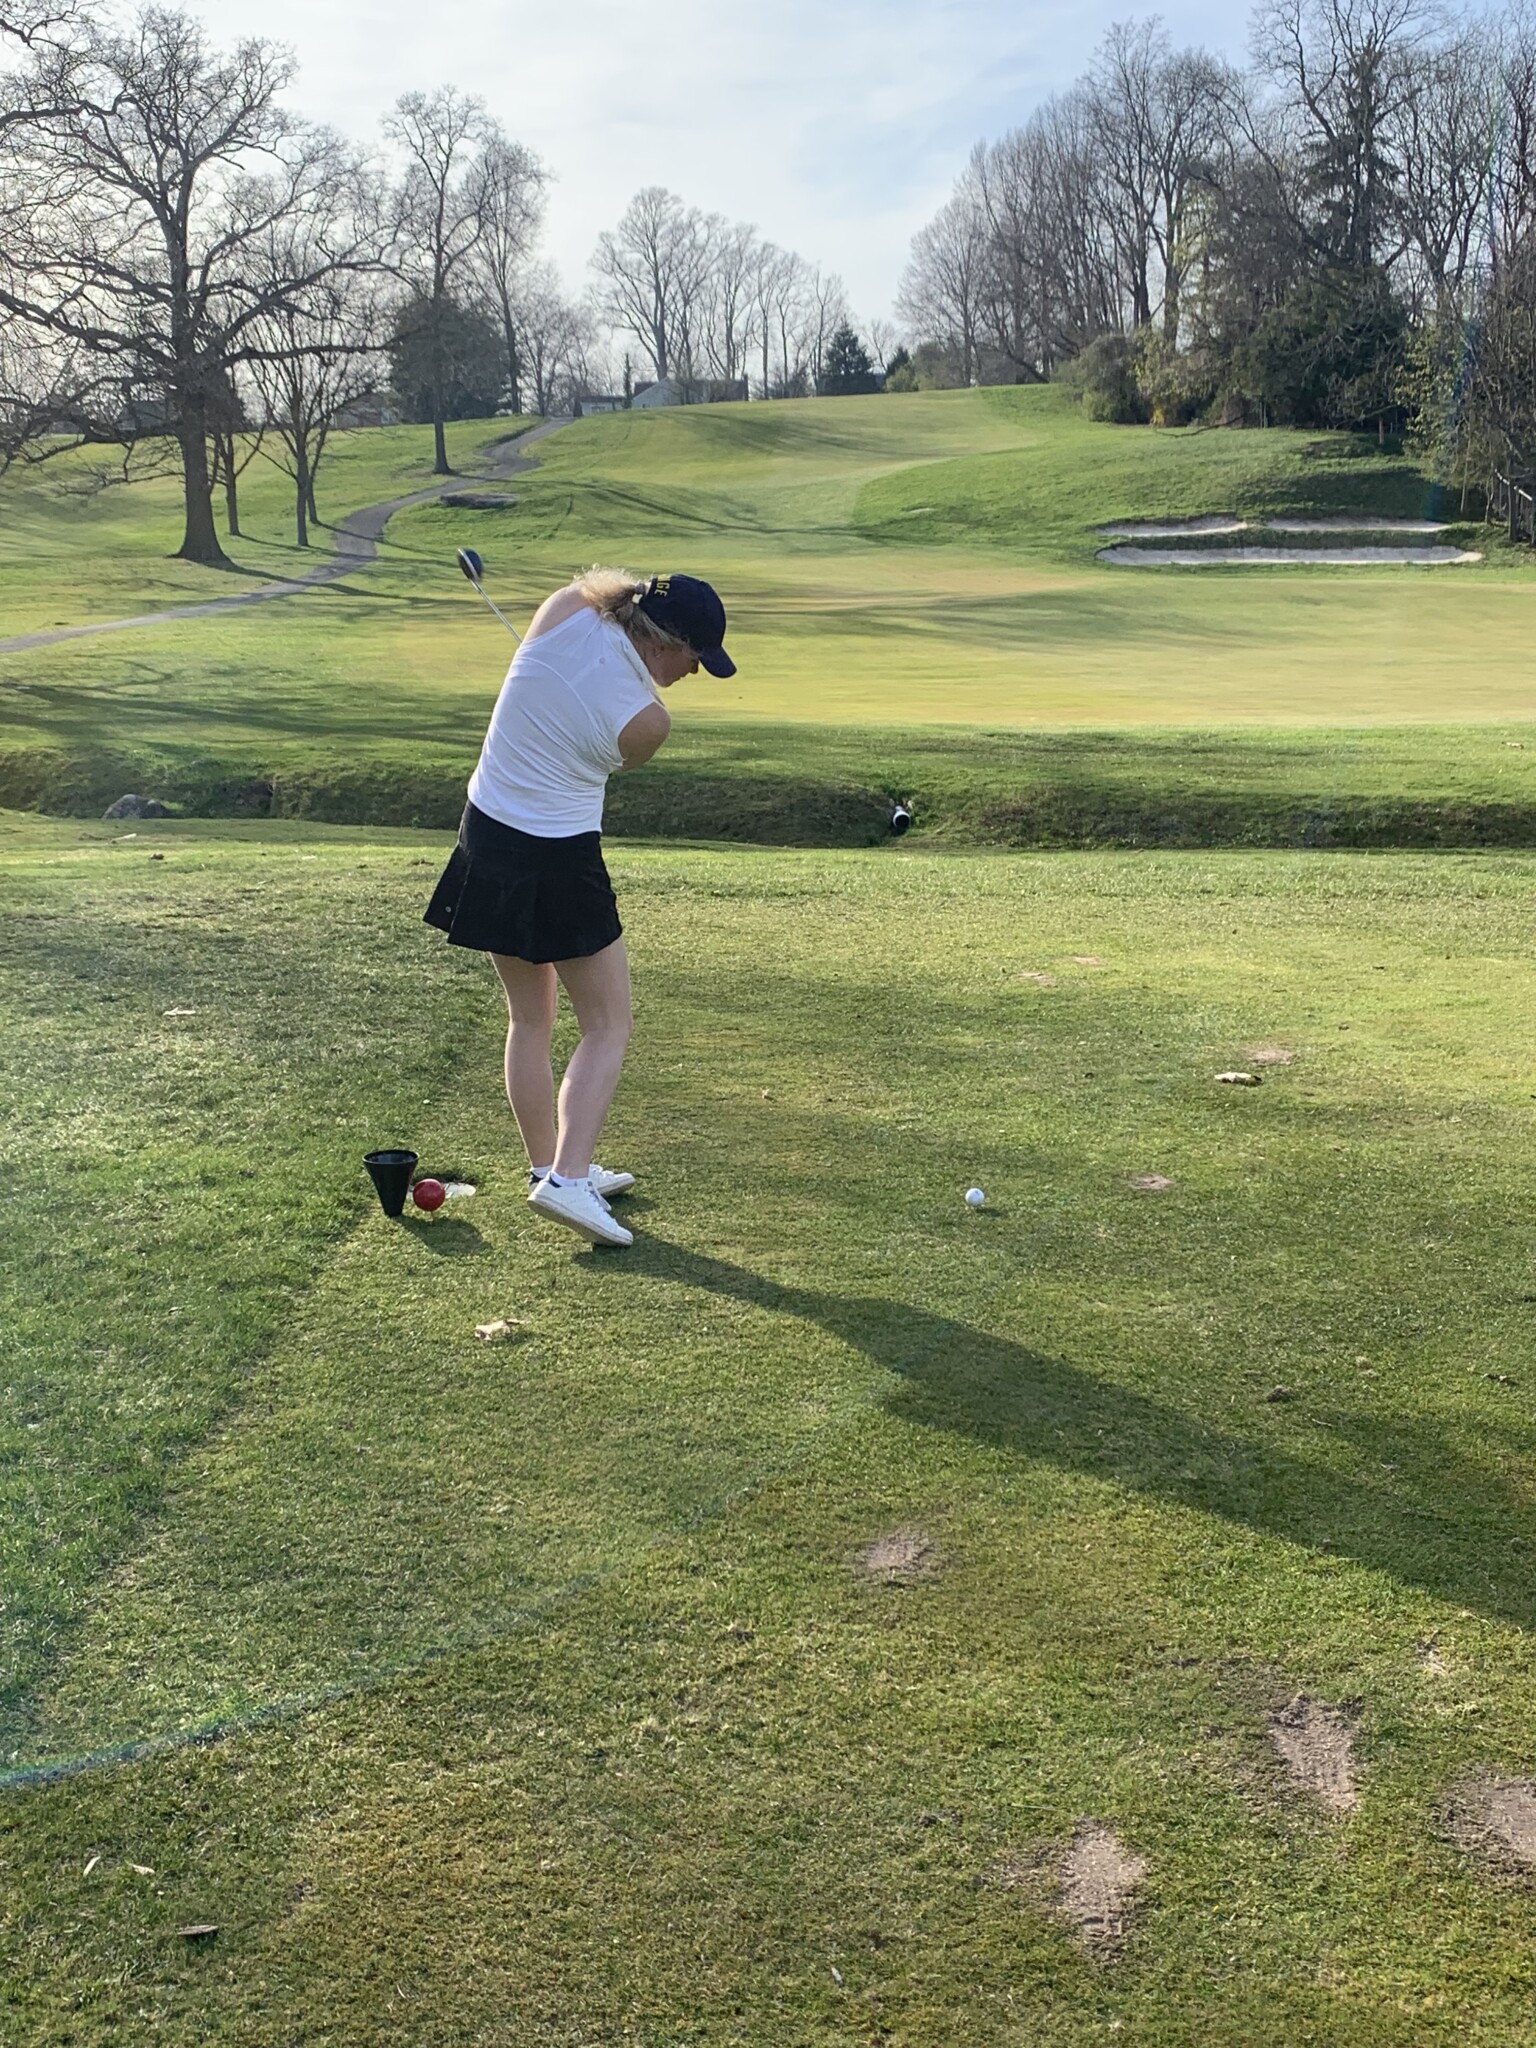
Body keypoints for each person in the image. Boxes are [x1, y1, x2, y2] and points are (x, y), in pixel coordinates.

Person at [425, 568, 735, 1248]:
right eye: (694, 660)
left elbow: (597, 586)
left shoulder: (562, 608)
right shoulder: (648, 722)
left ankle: (552, 1168)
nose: (694, 674)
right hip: (558, 857)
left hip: (486, 833)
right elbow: (620, 755)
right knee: (608, 1023)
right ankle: (566, 1179)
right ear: (666, 644)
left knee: (529, 1016)